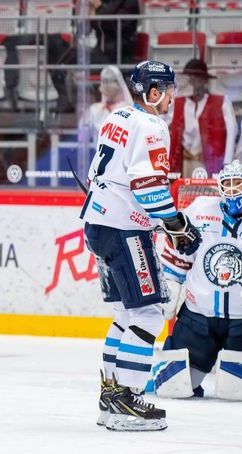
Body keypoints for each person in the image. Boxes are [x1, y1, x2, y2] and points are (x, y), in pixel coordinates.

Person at [80, 60, 202, 431]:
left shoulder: (116, 118)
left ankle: (111, 395)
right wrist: (176, 223)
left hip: (97, 223)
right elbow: (147, 187)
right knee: (148, 314)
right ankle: (129, 399)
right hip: (124, 230)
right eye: (168, 90)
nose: (171, 98)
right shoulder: (152, 126)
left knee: (125, 314)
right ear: (153, 93)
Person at [157, 160, 242, 399]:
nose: (234, 190)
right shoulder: (201, 209)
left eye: (239, 184)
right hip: (198, 318)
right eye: (229, 183)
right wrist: (171, 285)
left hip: (240, 322)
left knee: (235, 393)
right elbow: (179, 254)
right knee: (173, 387)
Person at [47, 0, 139, 111]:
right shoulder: (106, 4)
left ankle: (66, 100)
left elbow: (114, 26)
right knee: (61, 52)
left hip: (118, 55)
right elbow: (85, 30)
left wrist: (98, 8)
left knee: (68, 59)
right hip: (101, 51)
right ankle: (64, 99)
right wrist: (90, 13)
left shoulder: (130, 3)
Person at [168, 59, 238, 178]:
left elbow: (232, 131)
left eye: (198, 76)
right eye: (191, 76)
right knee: (184, 192)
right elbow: (161, 126)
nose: (194, 79)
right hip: (183, 162)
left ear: (205, 79)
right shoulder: (177, 103)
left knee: (209, 192)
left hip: (212, 163)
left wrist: (227, 161)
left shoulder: (221, 102)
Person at [82, 65, 132, 136]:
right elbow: (83, 132)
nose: (108, 84)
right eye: (105, 81)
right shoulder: (94, 109)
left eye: (112, 80)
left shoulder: (127, 108)